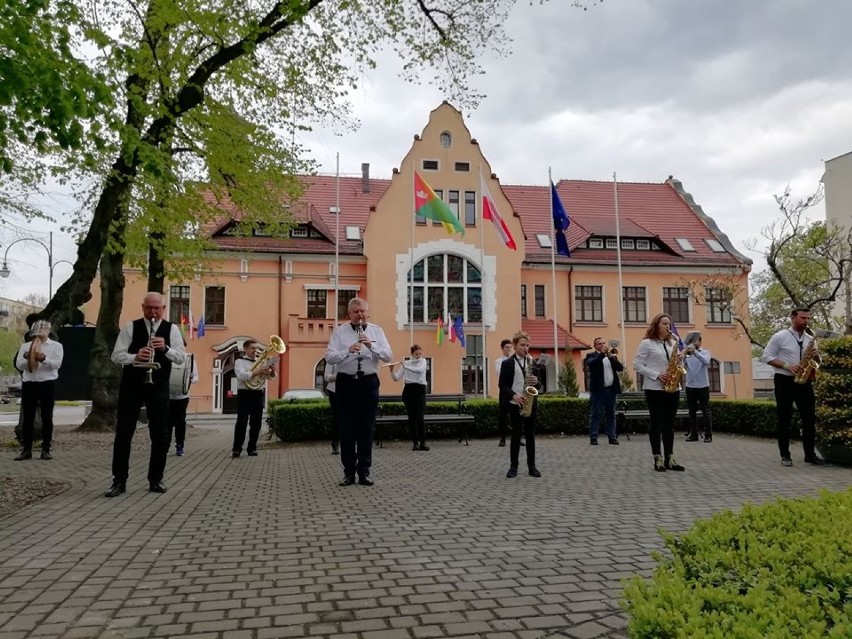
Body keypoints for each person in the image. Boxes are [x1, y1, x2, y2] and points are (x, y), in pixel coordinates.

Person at [106, 292, 186, 497]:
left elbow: (180, 358)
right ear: (143, 308)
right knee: (124, 433)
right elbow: (116, 355)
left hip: (158, 386)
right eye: (149, 308)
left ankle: (156, 479)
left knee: (160, 435)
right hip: (132, 386)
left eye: (156, 309)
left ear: (163, 309)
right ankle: (119, 480)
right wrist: (135, 356)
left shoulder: (172, 329)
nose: (153, 313)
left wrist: (165, 348)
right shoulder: (130, 327)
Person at [324, 297, 392, 486]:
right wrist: (347, 351)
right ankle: (348, 472)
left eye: (362, 311)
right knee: (346, 428)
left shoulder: (377, 331)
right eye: (356, 312)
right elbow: (329, 357)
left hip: (368, 382)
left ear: (367, 313)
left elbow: (388, 355)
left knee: (366, 428)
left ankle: (364, 471)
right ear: (349, 314)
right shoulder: (340, 332)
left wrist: (371, 346)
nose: (360, 315)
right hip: (346, 383)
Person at [761, 308, 824, 467]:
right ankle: (785, 455)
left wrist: (816, 356)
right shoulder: (780, 336)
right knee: (784, 419)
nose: (806, 321)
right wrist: (786, 365)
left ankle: (810, 455)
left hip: (804, 382)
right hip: (784, 380)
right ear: (793, 318)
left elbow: (818, 363)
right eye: (803, 318)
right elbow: (766, 356)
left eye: (808, 318)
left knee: (809, 419)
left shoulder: (811, 339)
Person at [633, 313, 685, 472]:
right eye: (664, 324)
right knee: (656, 423)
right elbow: (637, 365)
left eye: (669, 324)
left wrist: (680, 359)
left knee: (669, 424)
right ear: (656, 325)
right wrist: (657, 375)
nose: (668, 327)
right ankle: (657, 458)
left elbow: (675, 364)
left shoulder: (672, 343)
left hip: (672, 388)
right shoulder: (647, 343)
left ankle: (670, 457)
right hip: (654, 388)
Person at [13, 320, 64, 461]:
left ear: (48, 332)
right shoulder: (25, 346)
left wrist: (43, 359)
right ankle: (26, 450)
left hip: (47, 383)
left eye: (41, 334)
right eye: (36, 334)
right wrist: (27, 358)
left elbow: (57, 364)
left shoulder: (56, 346)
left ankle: (46, 449)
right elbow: (19, 365)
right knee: (28, 418)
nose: (38, 337)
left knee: (47, 417)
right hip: (29, 383)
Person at [498, 330, 542, 478]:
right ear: (515, 345)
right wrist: (514, 396)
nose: (526, 348)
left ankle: (532, 467)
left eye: (528, 345)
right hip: (514, 402)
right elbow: (502, 385)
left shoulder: (532, 362)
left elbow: (539, 386)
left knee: (530, 436)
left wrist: (537, 382)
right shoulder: (508, 363)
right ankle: (513, 467)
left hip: (530, 402)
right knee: (516, 436)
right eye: (523, 345)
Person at [232, 339, 277, 458]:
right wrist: (257, 372)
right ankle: (236, 449)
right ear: (245, 349)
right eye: (252, 348)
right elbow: (241, 376)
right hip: (244, 394)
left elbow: (270, 378)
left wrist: (272, 371)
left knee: (256, 423)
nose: (255, 351)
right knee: (242, 422)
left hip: (258, 393)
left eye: (257, 348)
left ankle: (252, 448)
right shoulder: (239, 361)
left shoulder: (261, 362)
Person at [584, 337, 623, 445]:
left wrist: (611, 357)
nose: (602, 345)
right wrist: (602, 354)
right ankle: (593, 437)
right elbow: (592, 365)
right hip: (598, 391)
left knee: (611, 414)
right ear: (595, 346)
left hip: (611, 390)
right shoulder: (591, 356)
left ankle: (612, 437)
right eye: (599, 344)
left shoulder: (611, 356)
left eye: (603, 343)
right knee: (596, 413)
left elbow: (620, 368)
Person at [391, 344, 429, 451]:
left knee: (420, 417)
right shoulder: (406, 363)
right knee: (411, 418)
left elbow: (419, 370)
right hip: (408, 391)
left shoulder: (423, 361)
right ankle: (415, 443)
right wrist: (391, 370)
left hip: (420, 390)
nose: (419, 356)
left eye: (420, 353)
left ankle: (423, 443)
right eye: (416, 354)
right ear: (412, 354)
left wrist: (405, 366)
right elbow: (396, 378)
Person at [168, 340, 198, 456]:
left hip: (182, 396)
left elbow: (196, 377)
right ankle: (165, 445)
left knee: (180, 421)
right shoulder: (168, 359)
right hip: (168, 396)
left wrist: (188, 381)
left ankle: (179, 446)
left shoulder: (190, 360)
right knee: (167, 422)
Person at [683, 332, 713, 443]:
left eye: (695, 341)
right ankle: (693, 434)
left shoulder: (706, 352)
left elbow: (706, 362)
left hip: (702, 386)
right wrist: (683, 354)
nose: (693, 344)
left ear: (700, 342)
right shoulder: (687, 354)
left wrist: (695, 352)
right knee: (691, 412)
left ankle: (708, 435)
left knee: (705, 410)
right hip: (690, 385)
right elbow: (682, 365)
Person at [495, 339, 513, 447]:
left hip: (514, 389)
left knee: (515, 415)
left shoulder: (515, 360)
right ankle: (502, 438)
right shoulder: (499, 361)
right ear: (502, 349)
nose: (509, 349)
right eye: (507, 347)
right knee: (503, 415)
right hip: (504, 391)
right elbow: (500, 373)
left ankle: (517, 437)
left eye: (510, 347)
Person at [324, 362, 339, 455]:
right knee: (337, 417)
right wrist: (339, 376)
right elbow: (327, 377)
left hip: (350, 390)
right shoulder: (333, 358)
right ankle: (335, 443)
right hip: (334, 390)